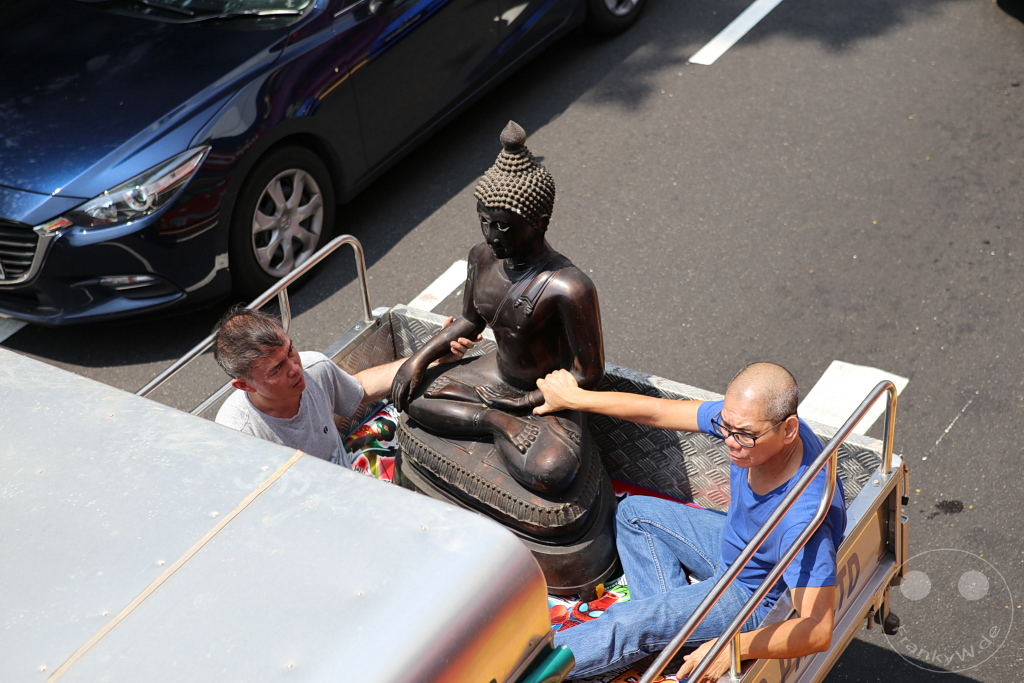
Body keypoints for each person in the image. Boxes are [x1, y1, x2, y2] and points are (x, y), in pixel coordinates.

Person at [533, 362, 847, 682]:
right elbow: (658, 412)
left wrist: (733, 648)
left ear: (789, 429)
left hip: (752, 596)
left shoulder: (801, 518)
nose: (732, 443)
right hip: (738, 545)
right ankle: (666, 642)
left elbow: (818, 629)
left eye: (745, 436)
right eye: (726, 427)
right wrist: (575, 398)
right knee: (635, 514)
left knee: (628, 622)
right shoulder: (749, 422)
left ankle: (523, 675)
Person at [390, 120, 604, 493]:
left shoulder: (569, 286)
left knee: (551, 470)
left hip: (546, 394)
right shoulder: (482, 257)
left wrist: (527, 400)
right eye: (484, 222)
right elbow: (471, 322)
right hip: (493, 378)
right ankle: (491, 421)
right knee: (413, 396)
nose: (491, 237)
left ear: (539, 222)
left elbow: (588, 374)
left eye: (503, 227)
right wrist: (417, 360)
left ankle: (489, 418)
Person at [213, 305, 474, 465]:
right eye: (276, 369)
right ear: (244, 385)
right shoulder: (237, 434)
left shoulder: (315, 367)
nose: (295, 368)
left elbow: (360, 388)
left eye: (291, 351)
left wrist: (430, 357)